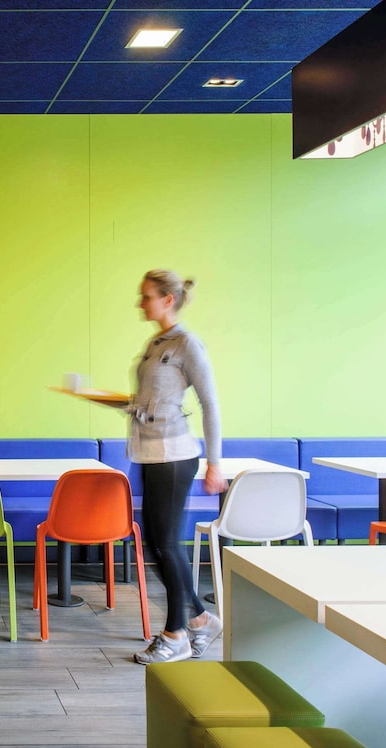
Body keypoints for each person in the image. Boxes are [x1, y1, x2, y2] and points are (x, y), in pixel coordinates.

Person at [129, 269, 226, 664]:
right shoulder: (156, 343)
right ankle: (202, 620)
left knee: (167, 545)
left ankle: (176, 635)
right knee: (156, 544)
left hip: (174, 456)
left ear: (167, 300)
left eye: (146, 296)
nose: (140, 303)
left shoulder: (187, 344)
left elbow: (210, 404)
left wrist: (215, 463)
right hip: (149, 452)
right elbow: (154, 399)